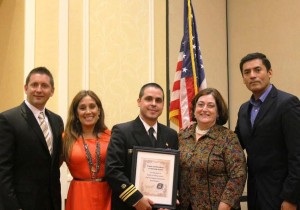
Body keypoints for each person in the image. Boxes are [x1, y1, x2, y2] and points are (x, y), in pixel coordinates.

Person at [235, 52, 300, 210]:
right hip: (255, 192)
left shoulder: (287, 104)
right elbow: (234, 144)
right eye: (247, 72)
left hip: (282, 195)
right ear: (243, 78)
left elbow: (297, 155)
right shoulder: (244, 109)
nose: (252, 75)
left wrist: (291, 198)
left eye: (258, 70)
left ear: (269, 73)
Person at [105, 83, 179, 210]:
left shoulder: (171, 135)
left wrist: (170, 200)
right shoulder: (122, 131)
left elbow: (175, 173)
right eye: (148, 99)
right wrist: (136, 199)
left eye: (158, 100)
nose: (154, 104)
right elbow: (113, 171)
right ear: (139, 101)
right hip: (129, 206)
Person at [0, 67, 64, 210]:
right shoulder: (8, 119)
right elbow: (3, 170)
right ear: (26, 88)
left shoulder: (57, 121)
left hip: (51, 203)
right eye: (34, 85)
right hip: (22, 204)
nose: (39, 90)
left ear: (52, 91)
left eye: (44, 86)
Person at [178, 88, 247, 210]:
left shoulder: (228, 138)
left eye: (210, 106)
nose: (204, 109)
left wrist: (225, 205)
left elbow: (238, 175)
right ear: (194, 110)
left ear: (218, 112)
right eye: (200, 105)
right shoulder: (182, 136)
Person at [62, 90, 112, 210]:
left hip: (107, 195)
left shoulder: (111, 136)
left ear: (99, 110)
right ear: (76, 113)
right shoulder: (66, 138)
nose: (88, 111)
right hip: (79, 196)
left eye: (92, 106)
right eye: (82, 108)